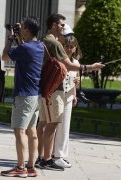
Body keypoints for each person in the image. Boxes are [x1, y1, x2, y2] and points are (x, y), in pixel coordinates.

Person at [36, 14, 104, 171]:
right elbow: (68, 65)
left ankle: (41, 157)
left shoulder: (44, 40)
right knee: (52, 125)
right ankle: (47, 159)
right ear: (53, 25)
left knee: (45, 124)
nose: (63, 27)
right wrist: (91, 67)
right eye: (61, 25)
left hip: (46, 88)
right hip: (56, 89)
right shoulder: (54, 43)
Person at [0, 17, 44, 178]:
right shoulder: (39, 46)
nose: (21, 30)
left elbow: (4, 56)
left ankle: (20, 167)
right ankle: (31, 167)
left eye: (23, 28)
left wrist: (11, 38)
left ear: (27, 30)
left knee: (19, 131)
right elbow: (25, 50)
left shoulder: (25, 48)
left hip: (24, 95)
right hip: (35, 95)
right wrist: (18, 38)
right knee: (32, 131)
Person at [52, 25, 81, 168]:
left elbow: (74, 81)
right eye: (66, 46)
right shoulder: (60, 60)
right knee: (54, 125)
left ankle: (61, 154)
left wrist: (75, 93)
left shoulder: (76, 63)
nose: (69, 49)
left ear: (75, 48)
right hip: (57, 96)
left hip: (68, 97)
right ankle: (53, 153)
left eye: (71, 47)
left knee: (64, 127)